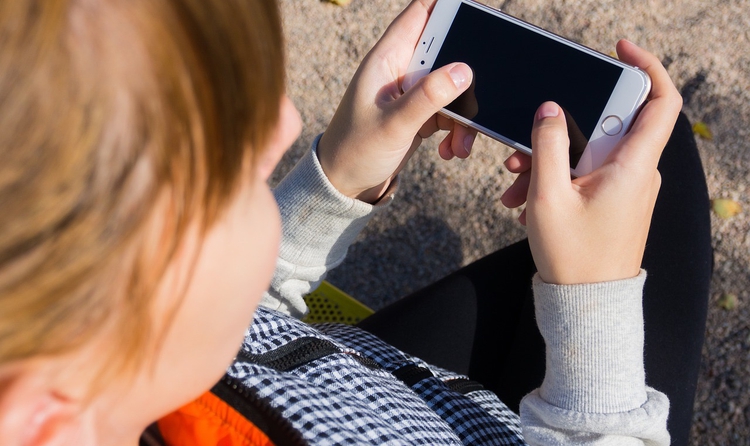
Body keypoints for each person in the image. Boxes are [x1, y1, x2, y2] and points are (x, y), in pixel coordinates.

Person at [0, 0, 710, 445]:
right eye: (230, 175)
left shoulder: (111, 360)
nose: (289, 123)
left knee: (629, 150)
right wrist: (592, 309)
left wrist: (335, 179)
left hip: (361, 387)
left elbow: (227, 325)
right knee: (652, 156)